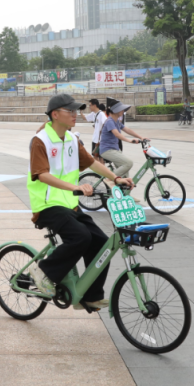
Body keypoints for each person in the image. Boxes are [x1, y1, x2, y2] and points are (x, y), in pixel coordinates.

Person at [26, 94, 134, 311]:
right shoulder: (41, 141)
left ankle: (90, 295)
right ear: (55, 114)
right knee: (80, 237)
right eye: (71, 111)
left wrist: (116, 178)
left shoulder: (72, 140)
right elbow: (41, 174)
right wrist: (75, 187)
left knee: (100, 241)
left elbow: (92, 163)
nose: (76, 115)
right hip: (47, 205)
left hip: (69, 205)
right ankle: (42, 272)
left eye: (77, 111)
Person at [98, 101, 145, 178]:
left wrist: (141, 137)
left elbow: (127, 129)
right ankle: (109, 179)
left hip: (114, 149)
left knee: (125, 175)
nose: (123, 111)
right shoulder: (110, 121)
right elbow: (117, 134)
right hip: (107, 150)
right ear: (115, 111)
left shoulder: (116, 121)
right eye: (121, 109)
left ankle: (119, 187)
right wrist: (129, 141)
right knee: (128, 163)